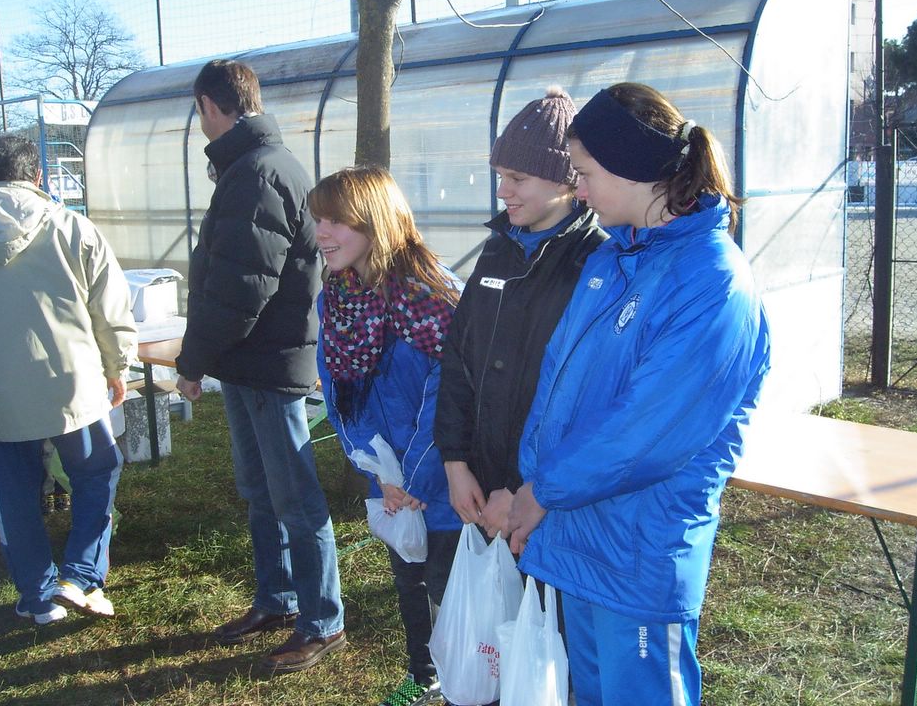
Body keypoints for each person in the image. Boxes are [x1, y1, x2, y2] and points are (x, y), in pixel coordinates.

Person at [508, 83, 772, 706]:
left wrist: (542, 491)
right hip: (579, 533)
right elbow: (560, 382)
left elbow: (647, 432)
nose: (577, 190)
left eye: (584, 173)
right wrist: (535, 480)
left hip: (639, 551)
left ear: (631, 169)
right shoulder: (613, 261)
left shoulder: (712, 282)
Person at [174, 59, 345, 674]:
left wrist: (193, 362)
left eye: (198, 111)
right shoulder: (251, 166)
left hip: (270, 363)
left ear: (209, 105)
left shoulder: (259, 172)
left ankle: (322, 621)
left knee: (294, 497)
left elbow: (239, 288)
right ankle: (277, 598)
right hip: (252, 362)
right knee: (261, 493)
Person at [0, 134, 136, 624]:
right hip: (72, 385)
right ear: (38, 176)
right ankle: (81, 575)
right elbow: (110, 310)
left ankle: (39, 596)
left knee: (15, 495)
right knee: (96, 473)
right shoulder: (74, 228)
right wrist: (118, 368)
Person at [311, 166, 462, 706]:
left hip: (445, 478)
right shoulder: (338, 297)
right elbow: (337, 387)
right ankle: (423, 676)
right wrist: (377, 469)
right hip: (391, 480)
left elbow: (452, 394)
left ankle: (467, 686)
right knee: (409, 578)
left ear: (374, 222)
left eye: (336, 221)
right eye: (318, 220)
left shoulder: (436, 295)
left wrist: (414, 477)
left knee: (450, 586)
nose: (321, 233)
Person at [435, 87, 606, 542]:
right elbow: (458, 358)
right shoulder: (498, 251)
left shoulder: (595, 263)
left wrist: (518, 488)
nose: (502, 191)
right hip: (481, 482)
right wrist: (455, 462)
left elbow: (584, 397)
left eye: (517, 178)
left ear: (565, 181)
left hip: (543, 498)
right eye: (499, 176)